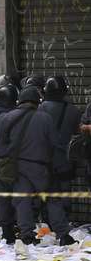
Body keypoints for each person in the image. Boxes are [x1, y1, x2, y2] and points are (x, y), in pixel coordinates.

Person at [0, 86, 76, 245]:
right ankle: (63, 234)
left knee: (22, 201)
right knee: (52, 200)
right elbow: (55, 144)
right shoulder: (45, 118)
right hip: (42, 167)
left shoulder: (7, 118)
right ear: (38, 101)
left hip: (18, 168)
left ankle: (26, 235)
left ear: (20, 101)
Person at [38, 76, 81, 219]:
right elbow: (77, 133)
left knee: (46, 192)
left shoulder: (39, 109)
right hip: (65, 160)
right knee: (64, 191)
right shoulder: (73, 110)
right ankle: (65, 221)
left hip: (44, 160)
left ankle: (47, 222)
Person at [0, 84, 19, 243]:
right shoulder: (14, 118)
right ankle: (19, 229)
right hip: (13, 162)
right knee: (19, 198)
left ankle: (7, 232)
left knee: (3, 200)